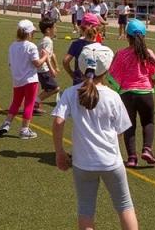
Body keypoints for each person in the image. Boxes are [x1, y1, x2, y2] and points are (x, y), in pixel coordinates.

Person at [52, 43, 138, 230]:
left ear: (81, 67)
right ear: (107, 69)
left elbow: (58, 121)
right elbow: (121, 129)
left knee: (86, 211)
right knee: (124, 206)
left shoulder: (70, 93)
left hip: (83, 164)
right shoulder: (113, 96)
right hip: (111, 162)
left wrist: (60, 152)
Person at [108, 19, 155, 167]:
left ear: (127, 36)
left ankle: (132, 158)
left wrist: (120, 89)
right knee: (148, 121)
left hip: (127, 94)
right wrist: (151, 86)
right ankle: (147, 149)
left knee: (129, 126)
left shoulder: (121, 54)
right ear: (143, 36)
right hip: (145, 93)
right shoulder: (148, 54)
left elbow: (112, 77)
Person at [0, 19, 48, 139]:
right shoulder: (31, 46)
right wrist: (45, 56)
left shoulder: (12, 46)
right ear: (29, 33)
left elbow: (10, 63)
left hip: (17, 80)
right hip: (30, 80)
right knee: (29, 104)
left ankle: (6, 123)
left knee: (16, 102)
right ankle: (24, 129)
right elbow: (37, 63)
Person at [63, 13, 100, 85]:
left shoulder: (76, 44)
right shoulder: (101, 47)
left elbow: (65, 61)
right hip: (94, 83)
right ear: (97, 29)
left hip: (79, 82)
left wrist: (72, 74)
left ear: (81, 29)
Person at [34, 20, 61, 114]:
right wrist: (52, 69)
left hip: (42, 69)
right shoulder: (47, 41)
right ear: (48, 30)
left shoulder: (46, 40)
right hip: (42, 69)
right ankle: (35, 102)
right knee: (54, 88)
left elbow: (52, 54)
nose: (56, 29)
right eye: (55, 27)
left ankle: (35, 103)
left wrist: (56, 66)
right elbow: (45, 56)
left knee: (49, 88)